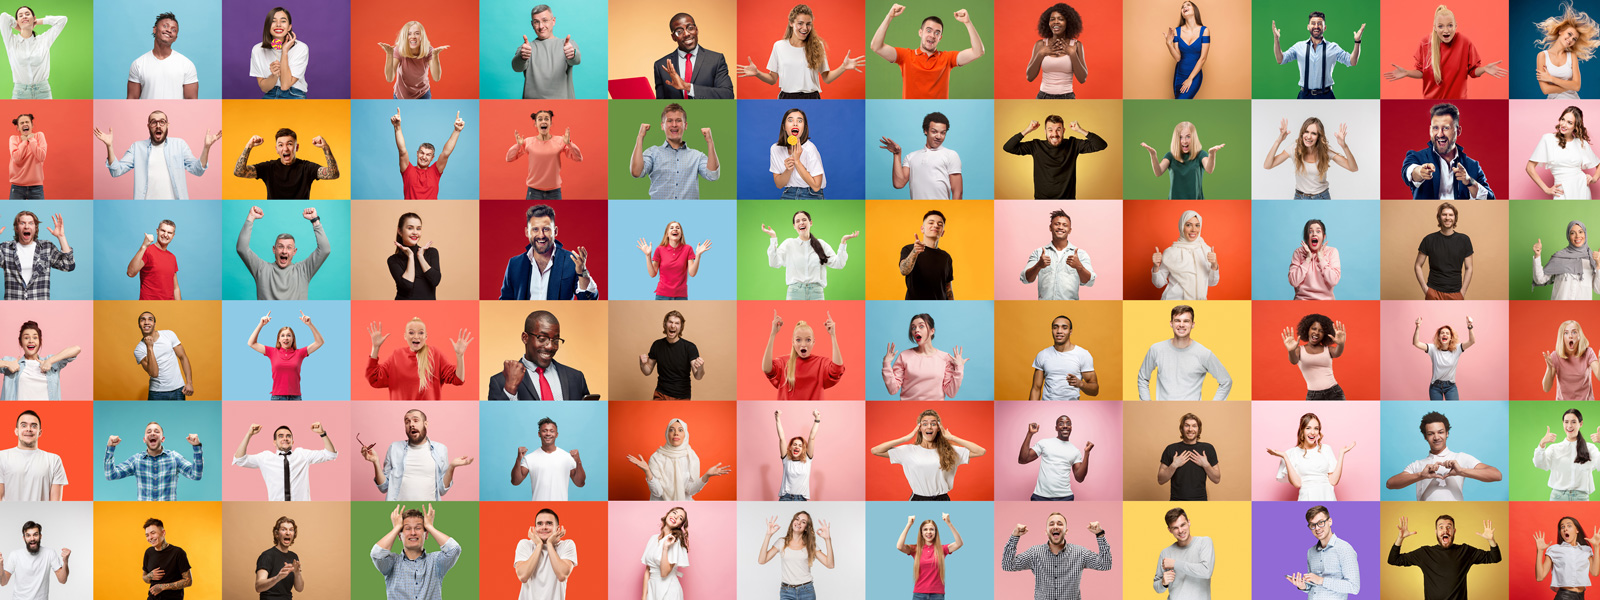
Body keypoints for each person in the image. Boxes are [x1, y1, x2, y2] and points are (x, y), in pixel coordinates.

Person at [738, 4, 863, 99]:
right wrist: (757, 73)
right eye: (800, 23)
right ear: (791, 23)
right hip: (786, 97)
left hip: (812, 97)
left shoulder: (817, 45)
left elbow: (827, 78)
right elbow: (772, 79)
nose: (805, 28)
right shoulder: (779, 46)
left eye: (808, 24)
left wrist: (843, 67)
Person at [1383, 5, 1507, 98]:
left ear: (1456, 26)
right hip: (1431, 102)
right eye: (1441, 26)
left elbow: (1473, 71)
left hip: (1458, 103)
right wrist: (1406, 73)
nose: (1446, 30)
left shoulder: (1464, 42)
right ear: (1435, 28)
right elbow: (1421, 72)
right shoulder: (1425, 43)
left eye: (1450, 25)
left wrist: (1484, 69)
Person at [97, 111, 220, 200]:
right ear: (148, 126)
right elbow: (116, 171)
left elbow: (198, 170)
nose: (158, 125)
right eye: (153, 122)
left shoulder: (179, 145)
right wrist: (109, 146)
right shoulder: (137, 147)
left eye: (162, 122)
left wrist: (206, 147)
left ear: (167, 125)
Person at [870, 5, 986, 99]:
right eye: (929, 30)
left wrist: (967, 22)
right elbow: (876, 47)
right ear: (920, 33)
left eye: (937, 33)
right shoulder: (905, 56)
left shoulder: (948, 58)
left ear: (940, 37)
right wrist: (889, 16)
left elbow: (978, 52)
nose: (932, 35)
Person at [358, 409, 474, 501]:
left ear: (425, 424)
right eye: (407, 422)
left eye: (415, 420)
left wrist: (452, 467)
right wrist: (376, 462)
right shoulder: (394, 448)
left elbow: (442, 490)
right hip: (397, 511)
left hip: (428, 511)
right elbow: (384, 487)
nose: (411, 425)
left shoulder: (440, 449)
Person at [871, 409, 987, 500]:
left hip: (943, 499)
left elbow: (980, 451)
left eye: (933, 424)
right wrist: (906, 438)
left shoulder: (949, 450)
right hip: (918, 499)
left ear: (938, 428)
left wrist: (951, 437)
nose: (929, 426)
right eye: (925, 423)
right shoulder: (908, 451)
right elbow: (875, 450)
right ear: (920, 428)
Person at [1386, 411, 1502, 500]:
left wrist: (1461, 471)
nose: (1436, 437)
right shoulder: (1418, 465)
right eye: (1431, 434)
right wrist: (1421, 475)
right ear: (1425, 437)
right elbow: (1390, 484)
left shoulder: (1461, 458)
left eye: (1440, 432)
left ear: (1447, 433)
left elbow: (1496, 475)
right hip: (1426, 517)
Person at [498, 204, 599, 301]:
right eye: (535, 229)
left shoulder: (571, 261)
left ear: (555, 232)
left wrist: (582, 272)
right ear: (527, 232)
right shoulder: (514, 264)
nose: (541, 235)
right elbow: (506, 303)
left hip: (559, 318)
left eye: (546, 229)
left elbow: (589, 301)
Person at [1387, 515, 1500, 600]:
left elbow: (1495, 558)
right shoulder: (1424, 553)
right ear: (1436, 532)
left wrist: (1491, 540)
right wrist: (1400, 538)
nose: (1445, 531)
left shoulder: (1465, 551)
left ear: (1454, 531)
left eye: (1448, 527)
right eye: (1441, 527)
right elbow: (1393, 560)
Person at [489, 310, 594, 401]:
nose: (550, 347)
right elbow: (496, 420)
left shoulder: (576, 377)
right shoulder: (500, 382)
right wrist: (510, 390)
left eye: (556, 340)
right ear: (525, 338)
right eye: (542, 338)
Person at [1002, 513, 1111, 600]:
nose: (1055, 526)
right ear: (1046, 532)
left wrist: (1099, 534)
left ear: (1066, 531)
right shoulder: (1034, 553)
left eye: (1060, 524)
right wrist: (1015, 536)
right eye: (1051, 524)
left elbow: (1105, 565)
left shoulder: (1080, 553)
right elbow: (1008, 566)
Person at [236, 206, 331, 300]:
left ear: (294, 252)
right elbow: (242, 248)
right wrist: (251, 217)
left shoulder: (303, 270)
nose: (284, 251)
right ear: (274, 249)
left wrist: (315, 220)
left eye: (289, 248)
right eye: (280, 246)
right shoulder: (261, 269)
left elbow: (325, 249)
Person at [1138, 305, 1232, 401]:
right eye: (1177, 320)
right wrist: (1147, 403)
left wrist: (1212, 406)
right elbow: (1143, 378)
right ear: (1171, 323)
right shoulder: (1156, 349)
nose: (1181, 325)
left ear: (1193, 324)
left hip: (1194, 408)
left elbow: (1226, 381)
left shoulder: (1204, 353)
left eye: (1186, 321)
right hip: (1164, 410)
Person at [624, 418, 732, 502]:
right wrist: (647, 472)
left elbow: (690, 490)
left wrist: (706, 476)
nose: (676, 433)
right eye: (672, 430)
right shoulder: (656, 457)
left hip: (684, 507)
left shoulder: (692, 457)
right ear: (667, 434)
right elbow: (658, 492)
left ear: (685, 434)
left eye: (680, 430)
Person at [365, 319, 472, 401]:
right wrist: (375, 348)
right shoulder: (396, 356)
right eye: (411, 333)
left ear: (426, 336)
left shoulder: (435, 354)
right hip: (401, 413)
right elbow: (373, 378)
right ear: (405, 336)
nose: (416, 336)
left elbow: (458, 379)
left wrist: (460, 355)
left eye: (421, 333)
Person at [630, 104, 721, 200]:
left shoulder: (697, 156)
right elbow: (636, 172)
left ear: (685, 125)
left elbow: (713, 175)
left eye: (678, 121)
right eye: (669, 121)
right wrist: (640, 137)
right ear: (662, 126)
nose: (674, 125)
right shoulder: (653, 153)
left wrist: (710, 142)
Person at [372, 505, 462, 600]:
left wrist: (429, 526)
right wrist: (396, 528)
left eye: (418, 528)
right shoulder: (391, 562)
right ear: (399, 535)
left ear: (426, 535)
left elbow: (454, 549)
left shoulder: (436, 561)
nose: (413, 533)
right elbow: (377, 554)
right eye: (407, 528)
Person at [1004, 117, 1108, 200]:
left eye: (1058, 130)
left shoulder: (1073, 144)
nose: (1054, 134)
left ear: (1063, 131)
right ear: (1045, 131)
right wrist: (1028, 130)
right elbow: (1008, 147)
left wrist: (1080, 130)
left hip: (1068, 201)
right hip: (1041, 201)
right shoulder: (1036, 146)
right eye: (1050, 130)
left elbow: (1101, 145)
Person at [1405, 104, 1494, 200]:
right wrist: (1420, 172)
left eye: (1446, 128)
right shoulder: (1416, 157)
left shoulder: (1473, 166)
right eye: (1435, 128)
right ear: (1430, 130)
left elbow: (1490, 200)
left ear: (1458, 131)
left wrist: (1469, 181)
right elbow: (1409, 172)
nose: (1440, 134)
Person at [763, 211, 856, 301]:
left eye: (804, 220)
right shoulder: (789, 244)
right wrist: (773, 238)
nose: (801, 222)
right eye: (797, 221)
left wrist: (843, 242)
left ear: (810, 223)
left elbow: (839, 264)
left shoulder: (821, 244)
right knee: (792, 317)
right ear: (794, 226)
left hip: (817, 293)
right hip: (795, 293)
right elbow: (774, 263)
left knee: (818, 317)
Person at [232, 423, 336, 501]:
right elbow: (239, 459)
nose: (285, 438)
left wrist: (322, 434)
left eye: (288, 436)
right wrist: (249, 434)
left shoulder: (302, 454)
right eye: (280, 436)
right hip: (276, 507)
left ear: (292, 441)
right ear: (274, 442)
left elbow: (330, 454)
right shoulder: (265, 457)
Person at [1272, 12, 1364, 98]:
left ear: (1324, 27)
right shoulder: (1299, 46)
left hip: (1327, 95)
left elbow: (1352, 61)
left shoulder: (1333, 47)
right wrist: (1276, 39)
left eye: (1319, 23)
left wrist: (1357, 41)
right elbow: (1280, 59)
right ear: (1308, 26)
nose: (1316, 26)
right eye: (1313, 23)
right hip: (1304, 95)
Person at [1266, 413, 1355, 501]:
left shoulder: (1326, 449)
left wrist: (1341, 454)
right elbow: (1297, 483)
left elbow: (1333, 481)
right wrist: (1285, 456)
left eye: (1316, 428)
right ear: (1302, 430)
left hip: (1328, 497)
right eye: (1308, 428)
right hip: (1307, 498)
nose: (1312, 432)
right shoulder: (1292, 453)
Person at [1262, 118, 1358, 199]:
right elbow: (1267, 165)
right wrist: (1279, 141)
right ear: (1302, 133)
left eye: (1313, 133)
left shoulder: (1326, 151)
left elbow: (1353, 168)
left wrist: (1344, 146)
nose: (1308, 136)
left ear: (1319, 136)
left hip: (1322, 197)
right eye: (1306, 132)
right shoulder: (1294, 148)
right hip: (1300, 197)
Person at [104, 422, 202, 501]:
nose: (152, 433)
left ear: (162, 439)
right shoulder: (136, 460)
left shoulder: (174, 457)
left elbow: (196, 475)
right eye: (149, 431)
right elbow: (110, 475)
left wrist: (196, 446)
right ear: (144, 439)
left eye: (156, 431)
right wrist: (111, 448)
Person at [762, 310, 845, 400]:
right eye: (798, 340)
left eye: (808, 340)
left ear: (814, 342)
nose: (803, 344)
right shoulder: (783, 363)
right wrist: (773, 334)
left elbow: (837, 369)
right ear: (793, 342)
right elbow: (766, 369)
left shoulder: (821, 363)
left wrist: (833, 335)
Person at [882, 313, 967, 401]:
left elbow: (951, 393)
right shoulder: (904, 356)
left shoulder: (945, 357)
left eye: (921, 326)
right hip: (908, 409)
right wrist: (886, 364)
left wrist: (959, 368)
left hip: (934, 409)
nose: (916, 330)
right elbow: (892, 390)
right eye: (913, 328)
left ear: (932, 331)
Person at [233, 129, 339, 199]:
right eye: (280, 145)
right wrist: (249, 145)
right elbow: (239, 172)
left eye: (289, 144)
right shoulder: (268, 168)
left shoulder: (307, 168)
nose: (285, 148)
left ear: (296, 147)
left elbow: (333, 174)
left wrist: (325, 147)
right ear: (277, 149)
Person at [881, 112, 962, 200]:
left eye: (943, 133)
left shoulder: (951, 155)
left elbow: (957, 192)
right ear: (925, 130)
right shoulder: (911, 157)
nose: (939, 136)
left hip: (941, 211)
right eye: (934, 132)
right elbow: (898, 184)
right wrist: (897, 155)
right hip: (917, 210)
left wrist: (953, 213)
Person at [1286, 506, 1361, 600]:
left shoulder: (1344, 549)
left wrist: (1321, 580)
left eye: (1321, 522)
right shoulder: (1311, 552)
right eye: (1312, 525)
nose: (1317, 528)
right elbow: (1313, 586)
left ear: (1330, 521)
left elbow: (1354, 587)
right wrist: (1303, 586)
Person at [246, 311, 325, 401]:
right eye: (282, 335)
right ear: (279, 339)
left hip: (296, 398)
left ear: (293, 339)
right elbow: (251, 343)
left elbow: (320, 342)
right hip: (277, 398)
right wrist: (261, 324)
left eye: (288, 335)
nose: (286, 338)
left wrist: (310, 324)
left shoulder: (300, 353)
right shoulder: (272, 352)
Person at [653, 13, 733, 99]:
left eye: (690, 28)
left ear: (697, 30)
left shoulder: (716, 60)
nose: (686, 34)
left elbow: (727, 95)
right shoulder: (661, 66)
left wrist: (688, 87)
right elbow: (661, 105)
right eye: (679, 31)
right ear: (673, 37)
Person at [756, 511, 835, 599]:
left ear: (806, 528)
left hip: (807, 591)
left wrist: (828, 539)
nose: (798, 522)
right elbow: (762, 560)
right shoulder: (781, 542)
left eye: (803, 521)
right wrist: (768, 535)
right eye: (797, 519)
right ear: (792, 522)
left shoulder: (810, 545)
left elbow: (830, 564)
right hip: (786, 592)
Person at [508, 110, 583, 200]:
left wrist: (569, 144)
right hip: (533, 191)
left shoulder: (560, 141)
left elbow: (578, 158)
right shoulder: (528, 142)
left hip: (554, 192)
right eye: (540, 119)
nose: (543, 121)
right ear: (535, 124)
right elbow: (509, 158)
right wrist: (518, 145)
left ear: (550, 123)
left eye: (546, 119)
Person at [1527, 107, 1600, 199]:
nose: (1564, 124)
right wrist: (1546, 189)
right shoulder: (1548, 139)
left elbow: (1598, 165)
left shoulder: (1581, 143)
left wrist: (1593, 179)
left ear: (1576, 126)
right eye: (1563, 120)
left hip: (1582, 189)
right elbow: (1529, 167)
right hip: (1561, 191)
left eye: (1569, 123)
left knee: (1582, 214)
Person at [391, 108, 463, 200]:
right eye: (422, 153)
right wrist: (397, 127)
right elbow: (402, 151)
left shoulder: (435, 171)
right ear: (417, 153)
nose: (424, 157)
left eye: (428, 155)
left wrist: (457, 131)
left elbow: (446, 153)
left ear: (432, 158)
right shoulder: (408, 170)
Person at [1023, 212, 1097, 301]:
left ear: (1070, 230)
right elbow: (1026, 279)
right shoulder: (1039, 253)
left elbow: (1090, 282)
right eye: (1057, 224)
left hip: (1070, 309)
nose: (1060, 227)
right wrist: (1038, 265)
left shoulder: (1080, 254)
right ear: (1050, 227)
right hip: (1044, 308)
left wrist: (1079, 267)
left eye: (1065, 225)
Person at [1018, 416, 1094, 501]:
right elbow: (1023, 460)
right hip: (1040, 497)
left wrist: (1087, 453)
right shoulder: (1044, 443)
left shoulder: (1075, 451)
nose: (1065, 426)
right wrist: (1030, 434)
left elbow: (1079, 478)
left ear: (1071, 428)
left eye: (1068, 424)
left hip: (1066, 498)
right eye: (1061, 424)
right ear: (1056, 428)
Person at [513, 5, 581, 100]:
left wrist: (573, 54)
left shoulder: (567, 45)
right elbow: (516, 67)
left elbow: (576, 60)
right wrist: (522, 57)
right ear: (532, 24)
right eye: (537, 22)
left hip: (563, 105)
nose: (541, 26)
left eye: (545, 20)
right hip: (532, 107)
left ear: (553, 21)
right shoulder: (526, 48)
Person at [0, 211, 72, 299]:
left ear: (35, 228)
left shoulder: (47, 247)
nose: (26, 226)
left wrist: (61, 237)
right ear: (16, 228)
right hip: (13, 307)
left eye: (31, 223)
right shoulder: (5, 248)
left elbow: (68, 265)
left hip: (40, 308)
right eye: (22, 223)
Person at [510, 418, 586, 501]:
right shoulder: (530, 458)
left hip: (560, 509)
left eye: (551, 431)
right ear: (539, 434)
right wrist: (518, 459)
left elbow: (580, 483)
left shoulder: (567, 457)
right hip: (539, 510)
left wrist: (578, 461)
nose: (548, 434)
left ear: (556, 434)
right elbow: (515, 481)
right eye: (544, 431)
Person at [1140, 123, 1222, 200]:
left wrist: (1212, 154)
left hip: (1196, 201)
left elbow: (1209, 169)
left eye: (1188, 137)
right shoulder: (1170, 156)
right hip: (1174, 202)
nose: (1184, 141)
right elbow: (1158, 172)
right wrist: (1153, 155)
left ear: (1194, 138)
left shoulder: (1200, 154)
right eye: (1180, 137)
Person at [0, 321, 78, 401]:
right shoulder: (12, 363)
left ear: (40, 341)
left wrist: (50, 361)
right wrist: (7, 364)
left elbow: (76, 349)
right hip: (19, 412)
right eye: (26, 338)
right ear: (20, 342)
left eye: (35, 337)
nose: (31, 341)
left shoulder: (50, 363)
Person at [127, 12, 198, 99]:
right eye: (165, 26)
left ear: (175, 38)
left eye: (173, 29)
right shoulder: (138, 64)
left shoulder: (187, 64)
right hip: (148, 113)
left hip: (176, 113)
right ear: (155, 29)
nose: (169, 30)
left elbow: (192, 103)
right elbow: (131, 101)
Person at [1535, 4, 1599, 100]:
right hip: (1552, 102)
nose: (1570, 39)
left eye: (1574, 39)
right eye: (1569, 34)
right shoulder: (1542, 56)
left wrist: (1551, 79)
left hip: (1573, 100)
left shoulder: (1572, 56)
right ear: (1560, 31)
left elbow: (1577, 86)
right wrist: (1569, 86)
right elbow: (1545, 90)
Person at [1152, 210, 1218, 300]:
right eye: (1188, 225)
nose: (1194, 229)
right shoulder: (1170, 252)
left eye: (1197, 225)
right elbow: (1159, 284)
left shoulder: (1206, 250)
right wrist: (1156, 267)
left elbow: (1211, 282)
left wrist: (1214, 265)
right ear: (1182, 226)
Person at [1026, 4, 1089, 99]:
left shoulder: (1076, 45)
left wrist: (1072, 54)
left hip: (1067, 96)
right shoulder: (1040, 45)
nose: (1056, 22)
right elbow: (1029, 77)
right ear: (1047, 23)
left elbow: (1082, 79)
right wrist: (1041, 54)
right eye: (1052, 19)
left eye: (1060, 19)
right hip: (1043, 96)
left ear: (1068, 22)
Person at [0, 7, 64, 99]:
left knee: (47, 114)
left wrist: (37, 21)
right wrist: (16, 25)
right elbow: (3, 17)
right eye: (20, 16)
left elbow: (62, 20)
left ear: (33, 18)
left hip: (43, 91)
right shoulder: (11, 42)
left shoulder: (43, 40)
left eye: (27, 14)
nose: (24, 17)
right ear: (17, 20)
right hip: (20, 93)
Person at [636, 222, 711, 300]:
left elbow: (692, 273)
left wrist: (698, 255)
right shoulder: (659, 249)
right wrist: (647, 256)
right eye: (671, 228)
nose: (675, 229)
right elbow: (652, 274)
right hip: (662, 295)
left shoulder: (688, 249)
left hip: (681, 296)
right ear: (667, 234)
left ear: (681, 234)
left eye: (677, 228)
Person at [0, 410, 65, 500]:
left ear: (40, 432)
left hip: (41, 514)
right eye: (23, 425)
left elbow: (56, 503)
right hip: (10, 514)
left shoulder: (54, 460)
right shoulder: (2, 457)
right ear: (16, 431)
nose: (29, 429)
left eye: (34, 426)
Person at [1415, 202, 1475, 300]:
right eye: (1444, 214)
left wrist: (1462, 292)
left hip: (1456, 292)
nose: (1447, 218)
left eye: (1451, 215)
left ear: (1455, 218)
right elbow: (1418, 265)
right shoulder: (1429, 239)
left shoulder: (1464, 240)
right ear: (1439, 217)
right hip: (1433, 292)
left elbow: (1469, 268)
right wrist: (1426, 289)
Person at [1536, 409, 1600, 501]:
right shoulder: (1554, 448)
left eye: (1574, 422)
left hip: (1581, 497)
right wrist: (1542, 444)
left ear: (1580, 424)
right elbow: (1540, 464)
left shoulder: (1590, 448)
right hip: (1558, 497)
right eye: (1566, 422)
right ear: (1563, 423)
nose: (1569, 425)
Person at [515, 508, 578, 600]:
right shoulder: (525, 544)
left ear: (557, 528)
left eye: (549, 523)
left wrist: (549, 544)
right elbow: (523, 576)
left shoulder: (567, 545)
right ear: (535, 528)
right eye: (539, 524)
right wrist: (539, 545)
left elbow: (562, 575)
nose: (544, 527)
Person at [639, 310, 704, 401]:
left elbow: (698, 376)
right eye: (670, 322)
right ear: (665, 324)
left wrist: (700, 368)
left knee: (679, 416)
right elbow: (647, 371)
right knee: (657, 415)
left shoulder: (690, 347)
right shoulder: (657, 345)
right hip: (661, 394)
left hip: (682, 396)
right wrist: (642, 364)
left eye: (677, 323)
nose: (673, 326)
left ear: (681, 327)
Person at [1029, 316, 1098, 401]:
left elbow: (1095, 391)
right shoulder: (1043, 355)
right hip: (1047, 408)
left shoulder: (1083, 354)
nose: (1059, 331)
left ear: (1070, 331)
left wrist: (1080, 384)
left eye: (1064, 328)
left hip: (1071, 409)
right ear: (1052, 330)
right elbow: (1036, 389)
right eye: (1055, 327)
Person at [897, 514, 965, 597]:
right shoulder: (915, 549)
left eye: (931, 529)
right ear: (921, 533)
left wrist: (949, 523)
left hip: (937, 594)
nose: (928, 532)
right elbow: (899, 546)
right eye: (925, 529)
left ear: (935, 532)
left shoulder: (942, 549)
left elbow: (959, 543)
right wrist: (909, 524)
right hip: (919, 594)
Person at [1283, 314, 1347, 400]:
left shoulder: (1327, 350)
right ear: (1307, 329)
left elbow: (1337, 353)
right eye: (1314, 328)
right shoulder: (1299, 350)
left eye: (1321, 331)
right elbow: (1293, 361)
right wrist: (1290, 350)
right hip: (1313, 395)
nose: (1316, 332)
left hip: (1334, 392)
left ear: (1325, 334)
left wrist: (1341, 344)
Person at [132, 311, 195, 400]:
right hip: (156, 393)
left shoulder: (169, 334)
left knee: (179, 414)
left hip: (178, 390)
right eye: (143, 320)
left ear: (154, 323)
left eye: (150, 319)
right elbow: (154, 373)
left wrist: (189, 383)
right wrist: (149, 347)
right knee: (157, 414)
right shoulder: (139, 350)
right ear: (139, 325)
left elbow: (183, 357)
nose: (146, 322)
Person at [1533, 516, 1600, 599]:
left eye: (1569, 526)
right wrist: (1540, 551)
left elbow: (1595, 572)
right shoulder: (1554, 549)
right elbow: (1540, 577)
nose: (1565, 529)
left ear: (1577, 530)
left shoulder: (1586, 550)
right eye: (1562, 527)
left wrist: (1596, 547)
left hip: (1581, 596)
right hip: (1564, 596)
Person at [1157, 413, 1221, 501]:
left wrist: (1206, 465)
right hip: (1176, 501)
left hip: (1200, 501)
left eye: (1194, 426)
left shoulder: (1208, 448)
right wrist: (1174, 465)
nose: (1190, 429)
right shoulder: (1171, 449)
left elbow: (1217, 479)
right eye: (1187, 426)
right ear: (1182, 429)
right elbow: (1160, 480)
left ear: (1199, 429)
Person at [1153, 508, 1213, 598]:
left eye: (1183, 525)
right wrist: (1163, 583)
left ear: (1189, 522)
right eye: (1175, 528)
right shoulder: (1165, 553)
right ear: (1170, 530)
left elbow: (1206, 572)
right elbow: (1157, 587)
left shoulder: (1204, 542)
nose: (1180, 531)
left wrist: (1175, 564)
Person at [251, 7, 310, 99]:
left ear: (289, 27)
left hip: (295, 94)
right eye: (273, 21)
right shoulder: (258, 49)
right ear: (268, 26)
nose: (278, 25)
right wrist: (274, 75)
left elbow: (285, 86)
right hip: (270, 94)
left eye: (283, 21)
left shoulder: (301, 48)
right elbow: (264, 88)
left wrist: (285, 52)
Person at [380, 21, 449, 100]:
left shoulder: (428, 50)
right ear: (404, 37)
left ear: (422, 36)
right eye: (409, 34)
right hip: (401, 95)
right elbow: (389, 78)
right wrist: (389, 54)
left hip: (423, 94)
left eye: (417, 33)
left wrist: (435, 55)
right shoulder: (399, 50)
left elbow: (436, 77)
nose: (413, 36)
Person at [0, 521, 70, 597]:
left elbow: (62, 580)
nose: (32, 538)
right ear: (24, 538)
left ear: (40, 536)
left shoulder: (49, 553)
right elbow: (3, 582)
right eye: (28, 535)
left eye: (35, 535)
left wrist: (65, 562)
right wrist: (0, 567)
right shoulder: (15, 555)